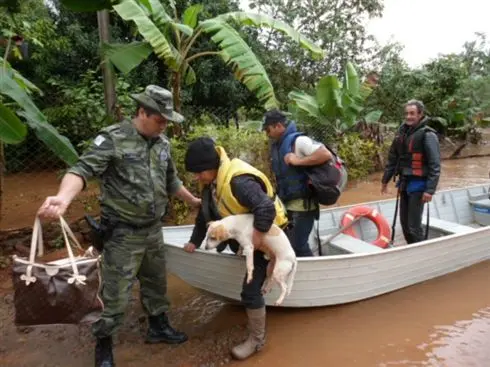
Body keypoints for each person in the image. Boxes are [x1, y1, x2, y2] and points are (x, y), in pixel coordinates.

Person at [37, 85, 201, 367]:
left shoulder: (162, 144)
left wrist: (195, 201)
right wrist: (63, 198)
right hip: (123, 234)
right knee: (115, 293)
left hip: (153, 230)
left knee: (156, 284)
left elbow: (171, 181)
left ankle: (158, 327)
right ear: (142, 112)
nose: (164, 126)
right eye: (160, 120)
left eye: (166, 121)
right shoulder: (112, 139)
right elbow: (81, 170)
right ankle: (104, 346)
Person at [182, 137, 288, 361]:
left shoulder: (238, 182)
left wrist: (258, 240)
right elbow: (205, 215)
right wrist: (194, 241)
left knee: (249, 290)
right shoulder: (210, 184)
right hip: (249, 237)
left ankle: (257, 341)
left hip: (271, 236)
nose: (196, 177)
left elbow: (265, 208)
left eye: (198, 172)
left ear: (209, 167)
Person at [262, 109, 337, 257]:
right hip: (287, 204)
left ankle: (313, 276)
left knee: (298, 245)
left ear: (278, 126)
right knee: (289, 244)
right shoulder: (277, 146)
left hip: (303, 205)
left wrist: (298, 160)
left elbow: (325, 154)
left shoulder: (298, 141)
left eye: (267, 129)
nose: (267, 133)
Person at [381, 99, 441, 244]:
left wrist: (430, 190)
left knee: (413, 226)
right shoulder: (401, 135)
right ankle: (412, 249)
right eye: (407, 113)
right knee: (405, 224)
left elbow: (435, 165)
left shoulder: (428, 135)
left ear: (420, 114)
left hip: (419, 186)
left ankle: (421, 251)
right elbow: (392, 160)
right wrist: (385, 181)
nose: (408, 116)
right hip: (404, 183)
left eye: (412, 113)